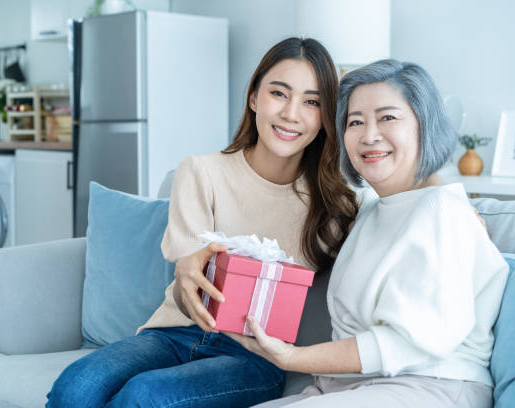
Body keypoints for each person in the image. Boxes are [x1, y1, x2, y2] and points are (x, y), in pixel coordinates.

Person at [45, 37, 359, 408]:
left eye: (312, 101)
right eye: (279, 93)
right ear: (254, 98)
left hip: (255, 356)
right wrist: (187, 277)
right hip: (174, 333)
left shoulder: (334, 204)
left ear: (325, 118)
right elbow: (186, 285)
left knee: (143, 396)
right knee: (76, 386)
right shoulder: (201, 172)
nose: (292, 113)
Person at [231, 59, 509, 408]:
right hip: (355, 388)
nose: (369, 135)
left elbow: (405, 344)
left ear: (425, 125)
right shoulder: (374, 208)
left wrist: (290, 358)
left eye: (388, 117)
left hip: (429, 386)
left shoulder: (442, 212)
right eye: (355, 121)